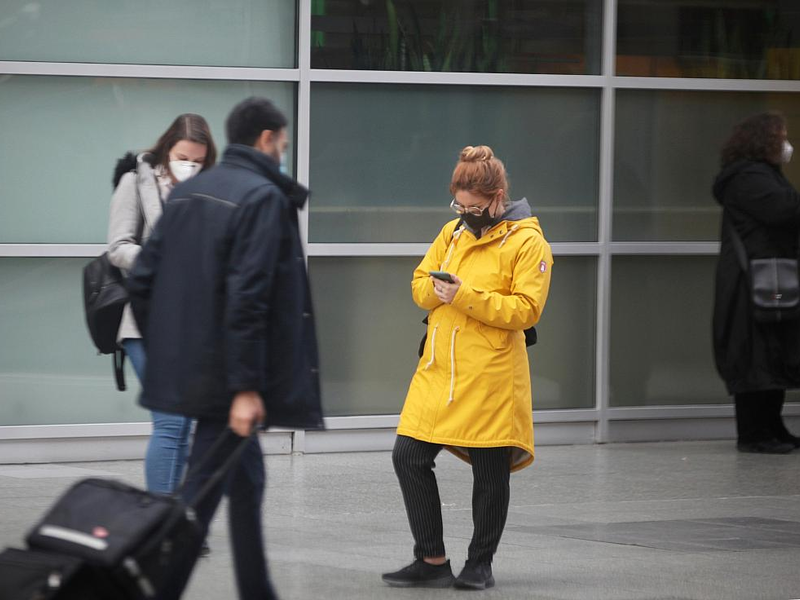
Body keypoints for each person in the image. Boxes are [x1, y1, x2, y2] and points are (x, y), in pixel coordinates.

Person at [127, 97, 323, 600]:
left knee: (248, 484)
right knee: (196, 501)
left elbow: (144, 279)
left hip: (198, 371)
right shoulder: (261, 197)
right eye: (281, 141)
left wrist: (174, 349)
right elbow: (249, 297)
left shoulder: (190, 193)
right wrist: (243, 388)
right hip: (228, 383)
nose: (281, 150)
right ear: (265, 138)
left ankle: (258, 591)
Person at [382, 145, 553, 590]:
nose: (466, 213)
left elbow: (526, 310)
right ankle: (432, 559)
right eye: (459, 204)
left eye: (475, 207)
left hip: (492, 374)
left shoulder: (527, 240)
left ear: (498, 197)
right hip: (439, 368)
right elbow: (421, 280)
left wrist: (463, 295)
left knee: (490, 469)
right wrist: (434, 292)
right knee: (408, 456)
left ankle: (481, 562)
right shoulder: (452, 233)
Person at [107, 114, 216, 494]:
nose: (190, 165)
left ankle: (175, 518)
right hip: (145, 319)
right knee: (171, 422)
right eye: (183, 156)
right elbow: (118, 248)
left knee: (185, 424)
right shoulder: (136, 181)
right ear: (167, 148)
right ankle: (164, 525)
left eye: (199, 160)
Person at [713, 111, 800, 454]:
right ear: (765, 140)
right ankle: (753, 433)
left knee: (773, 354)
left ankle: (773, 427)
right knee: (755, 357)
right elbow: (785, 211)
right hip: (751, 285)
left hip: (769, 278)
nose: (787, 145)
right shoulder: (747, 178)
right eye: (782, 137)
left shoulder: (762, 175)